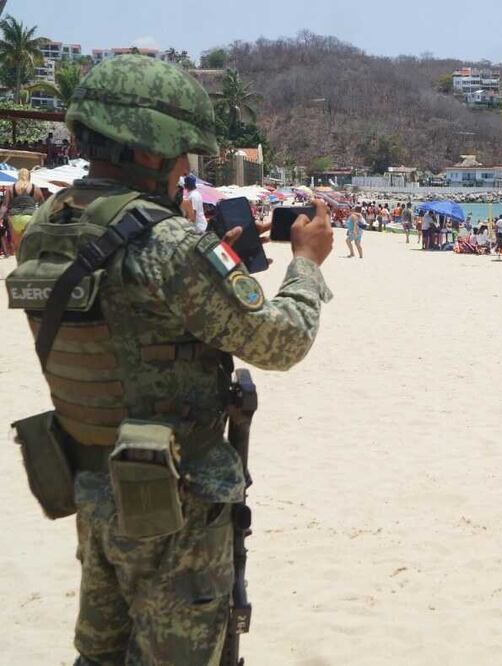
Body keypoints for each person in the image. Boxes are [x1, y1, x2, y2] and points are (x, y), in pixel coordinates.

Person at [6, 55, 333, 664]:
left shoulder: (46, 225)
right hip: (172, 501)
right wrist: (307, 264)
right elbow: (282, 341)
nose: (186, 166)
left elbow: (124, 320)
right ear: (147, 149)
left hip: (91, 483)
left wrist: (200, 256)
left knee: (100, 653)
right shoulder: (166, 243)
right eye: (180, 152)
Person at [6, 167, 45, 251]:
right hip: (30, 218)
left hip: (15, 219)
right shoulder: (35, 188)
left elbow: (4, 206)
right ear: (29, 176)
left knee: (17, 247)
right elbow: (43, 205)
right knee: (30, 247)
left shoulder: (11, 188)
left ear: (18, 176)